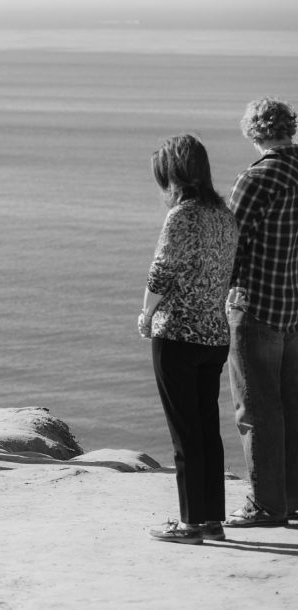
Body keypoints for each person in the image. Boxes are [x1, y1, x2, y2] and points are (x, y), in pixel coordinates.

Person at [139, 135, 238, 545]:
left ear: (173, 175)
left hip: (177, 334)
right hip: (215, 334)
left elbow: (161, 272)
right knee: (206, 428)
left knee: (185, 433)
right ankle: (212, 519)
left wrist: (146, 315)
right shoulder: (224, 215)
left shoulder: (181, 216)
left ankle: (191, 524)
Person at [224, 97, 298, 528]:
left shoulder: (256, 179)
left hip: (256, 307)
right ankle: (290, 499)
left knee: (256, 411)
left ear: (254, 131)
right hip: (293, 305)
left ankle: (266, 505)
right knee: (290, 407)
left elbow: (231, 246)